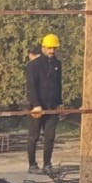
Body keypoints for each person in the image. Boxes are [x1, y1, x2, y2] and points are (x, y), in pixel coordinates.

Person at [24, 33, 62, 174]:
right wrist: (35, 104)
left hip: (52, 107)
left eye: (54, 48)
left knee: (50, 137)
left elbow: (58, 85)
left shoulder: (57, 64)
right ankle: (32, 165)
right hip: (37, 107)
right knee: (33, 136)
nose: (52, 51)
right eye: (49, 48)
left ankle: (47, 164)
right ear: (43, 48)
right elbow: (31, 87)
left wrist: (59, 103)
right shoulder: (33, 65)